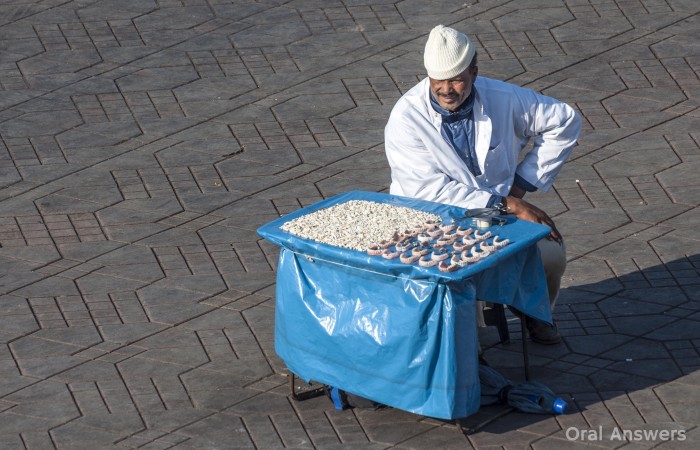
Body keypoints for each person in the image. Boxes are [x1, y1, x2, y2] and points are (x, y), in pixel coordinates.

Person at [384, 25, 582, 344]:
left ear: (474, 73)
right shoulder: (406, 119)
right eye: (438, 81)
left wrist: (521, 185)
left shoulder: (503, 98)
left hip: (498, 213)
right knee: (457, 272)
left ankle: (536, 311)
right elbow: (427, 191)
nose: (447, 89)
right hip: (432, 220)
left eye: (457, 79)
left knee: (551, 254)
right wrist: (507, 204)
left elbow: (565, 120)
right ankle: (467, 345)